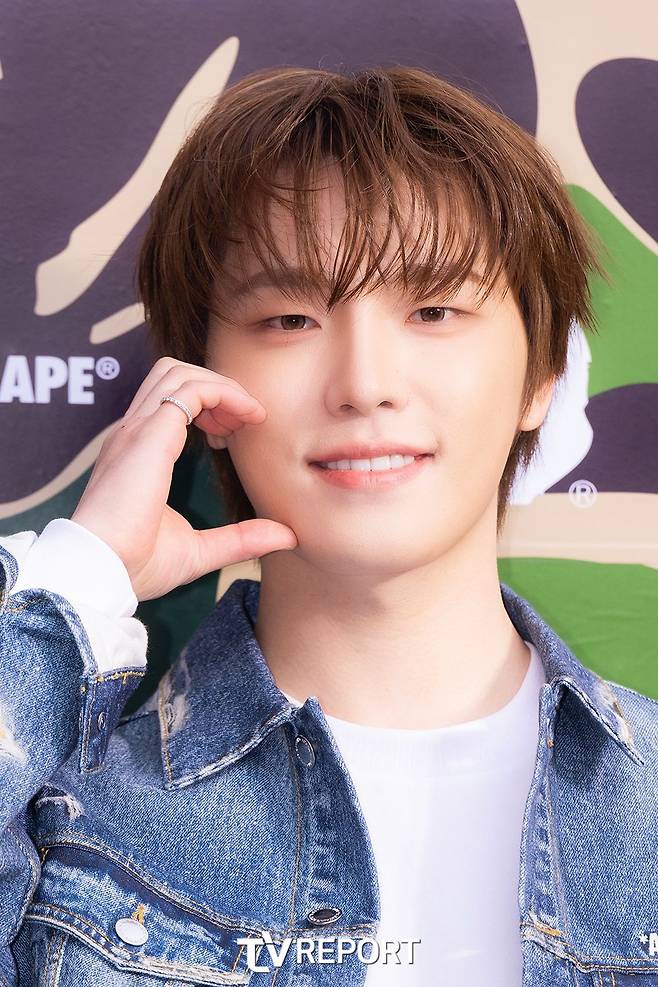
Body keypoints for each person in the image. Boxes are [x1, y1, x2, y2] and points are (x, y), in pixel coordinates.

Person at [1, 65, 656, 987]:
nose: (364, 383)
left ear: (542, 374)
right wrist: (80, 579)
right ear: (200, 384)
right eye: (290, 318)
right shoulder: (62, 824)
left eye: (434, 310)